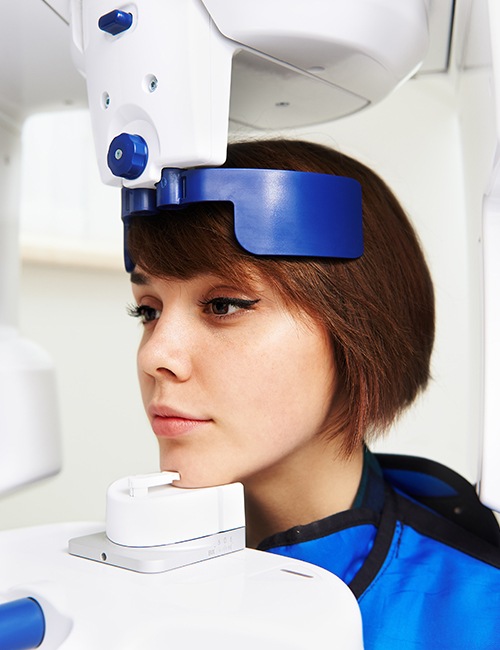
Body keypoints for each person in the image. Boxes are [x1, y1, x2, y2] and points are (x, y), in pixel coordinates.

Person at [125, 139, 500, 649]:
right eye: (148, 310)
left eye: (223, 305)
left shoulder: (481, 613)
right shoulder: (121, 582)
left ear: (358, 330)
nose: (154, 356)